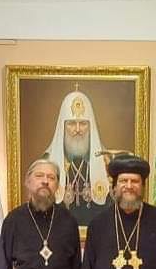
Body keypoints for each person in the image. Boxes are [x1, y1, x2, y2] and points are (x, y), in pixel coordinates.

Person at [41, 90, 111, 226]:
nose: (78, 129)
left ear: (90, 126)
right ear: (63, 126)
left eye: (83, 123)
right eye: (72, 123)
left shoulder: (106, 162)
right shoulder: (47, 163)